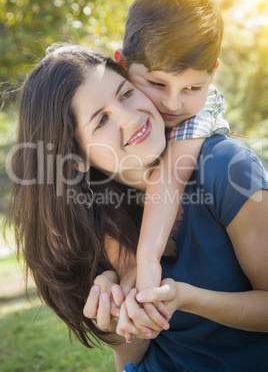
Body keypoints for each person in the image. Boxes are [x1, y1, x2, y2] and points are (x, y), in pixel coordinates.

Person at [7, 44, 268, 372]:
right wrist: (119, 320)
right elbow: (131, 361)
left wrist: (185, 297)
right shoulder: (97, 219)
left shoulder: (226, 167)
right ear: (76, 161)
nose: (131, 119)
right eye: (101, 120)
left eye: (126, 94)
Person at [114, 0, 230, 315]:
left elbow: (171, 177)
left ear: (213, 75)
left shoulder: (204, 107)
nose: (173, 103)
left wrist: (147, 260)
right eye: (155, 83)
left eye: (193, 86)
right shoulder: (107, 98)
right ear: (122, 65)